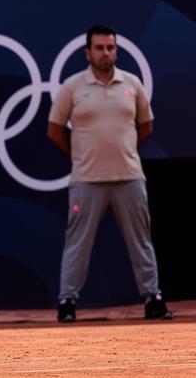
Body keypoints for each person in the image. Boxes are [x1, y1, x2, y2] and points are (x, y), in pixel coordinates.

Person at [47, 24, 172, 323]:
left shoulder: (132, 84)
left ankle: (152, 298)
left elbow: (146, 126)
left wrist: (123, 151)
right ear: (87, 52)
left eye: (111, 47)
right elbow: (54, 130)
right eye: (100, 48)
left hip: (129, 176)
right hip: (87, 179)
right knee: (77, 242)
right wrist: (81, 156)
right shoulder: (72, 87)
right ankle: (67, 301)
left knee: (141, 240)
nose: (106, 53)